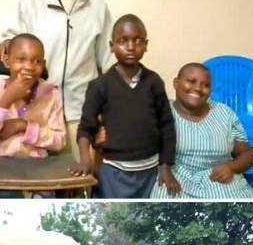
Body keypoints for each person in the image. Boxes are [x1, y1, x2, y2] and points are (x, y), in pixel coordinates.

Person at [0, 0, 112, 158]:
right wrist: (6, 42)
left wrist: (109, 110)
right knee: (39, 185)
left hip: (81, 112)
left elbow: (108, 60)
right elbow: (14, 40)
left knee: (77, 182)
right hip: (38, 109)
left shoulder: (98, 6)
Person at [69, 14, 178, 198]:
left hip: (151, 171)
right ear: (112, 46)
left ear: (146, 45)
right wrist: (85, 158)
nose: (130, 47)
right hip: (114, 171)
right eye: (123, 41)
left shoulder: (154, 82)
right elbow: (86, 127)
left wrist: (165, 167)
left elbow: (167, 125)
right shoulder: (99, 85)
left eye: (138, 41)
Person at [150, 63, 253, 198]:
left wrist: (232, 167)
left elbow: (247, 154)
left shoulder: (223, 113)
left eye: (205, 85)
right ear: (176, 83)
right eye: (191, 81)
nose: (198, 88)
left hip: (222, 181)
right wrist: (163, 169)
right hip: (174, 180)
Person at [0, 33, 65, 158]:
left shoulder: (50, 94)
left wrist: (23, 126)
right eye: (21, 59)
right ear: (7, 61)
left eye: (37, 61)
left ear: (43, 65)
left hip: (36, 168)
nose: (29, 67)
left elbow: (59, 141)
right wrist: (6, 100)